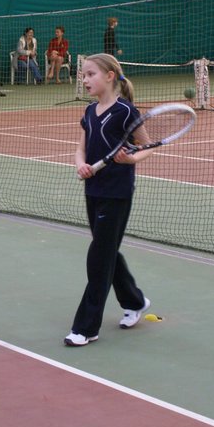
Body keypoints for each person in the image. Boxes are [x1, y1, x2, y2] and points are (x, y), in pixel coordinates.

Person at [65, 53, 152, 347]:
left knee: (99, 258)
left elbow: (146, 145)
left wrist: (131, 160)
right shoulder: (90, 111)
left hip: (117, 192)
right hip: (93, 189)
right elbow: (81, 149)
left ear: (110, 76)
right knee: (107, 251)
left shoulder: (126, 111)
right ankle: (135, 301)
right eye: (84, 75)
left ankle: (86, 327)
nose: (85, 80)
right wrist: (81, 165)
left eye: (90, 74)